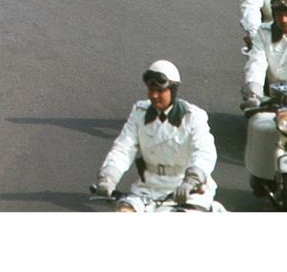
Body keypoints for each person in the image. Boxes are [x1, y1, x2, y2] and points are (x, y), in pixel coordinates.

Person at [94, 60, 219, 212]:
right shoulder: (140, 113)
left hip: (186, 189)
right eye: (151, 90)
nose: (154, 95)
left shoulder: (192, 116)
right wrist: (108, 177)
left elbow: (204, 152)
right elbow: (123, 148)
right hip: (148, 188)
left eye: (160, 91)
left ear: (172, 91)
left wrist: (191, 181)